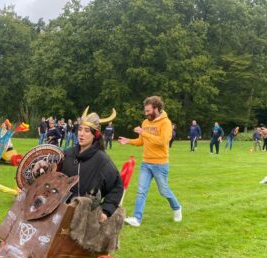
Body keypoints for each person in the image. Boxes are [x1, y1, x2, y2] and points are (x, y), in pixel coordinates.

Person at [118, 96, 182, 227]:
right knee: (141, 190)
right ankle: (137, 219)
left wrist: (144, 133)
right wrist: (129, 141)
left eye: (148, 111)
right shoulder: (145, 123)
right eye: (145, 111)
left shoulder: (166, 123)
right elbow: (142, 141)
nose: (146, 113)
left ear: (157, 109)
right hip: (146, 163)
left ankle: (177, 208)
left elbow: (162, 141)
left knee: (164, 191)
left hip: (160, 164)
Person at [60, 110, 123, 220]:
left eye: (87, 131)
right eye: (80, 129)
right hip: (61, 213)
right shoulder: (67, 154)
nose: (81, 134)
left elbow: (116, 187)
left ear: (95, 135)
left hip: (87, 218)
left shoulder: (102, 160)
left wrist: (105, 211)